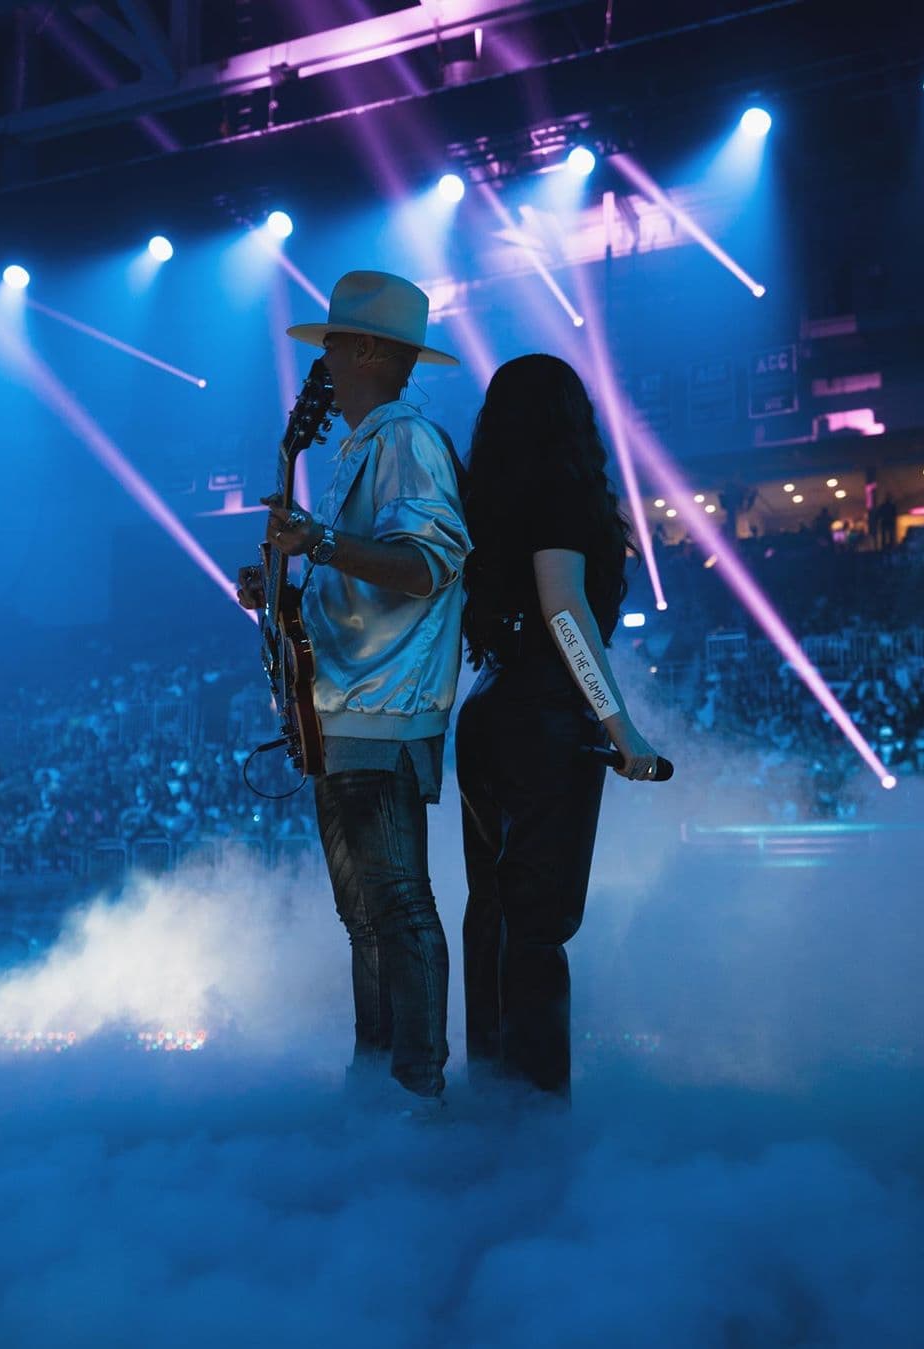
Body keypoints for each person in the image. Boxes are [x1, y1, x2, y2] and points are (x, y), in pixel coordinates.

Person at [239, 271, 469, 1117]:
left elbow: (428, 565)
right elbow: (361, 594)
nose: (322, 363)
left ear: (367, 350)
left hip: (382, 711)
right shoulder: (362, 449)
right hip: (344, 711)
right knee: (365, 914)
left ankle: (416, 1089)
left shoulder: (407, 440)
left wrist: (322, 544)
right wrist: (283, 588)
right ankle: (378, 1079)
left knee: (396, 907)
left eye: (333, 344)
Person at [456, 354, 663, 1103]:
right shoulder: (564, 491)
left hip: (486, 709)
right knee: (537, 923)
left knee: (493, 915)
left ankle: (491, 1100)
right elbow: (565, 609)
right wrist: (623, 728)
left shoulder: (481, 501)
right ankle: (536, 1119)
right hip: (543, 716)